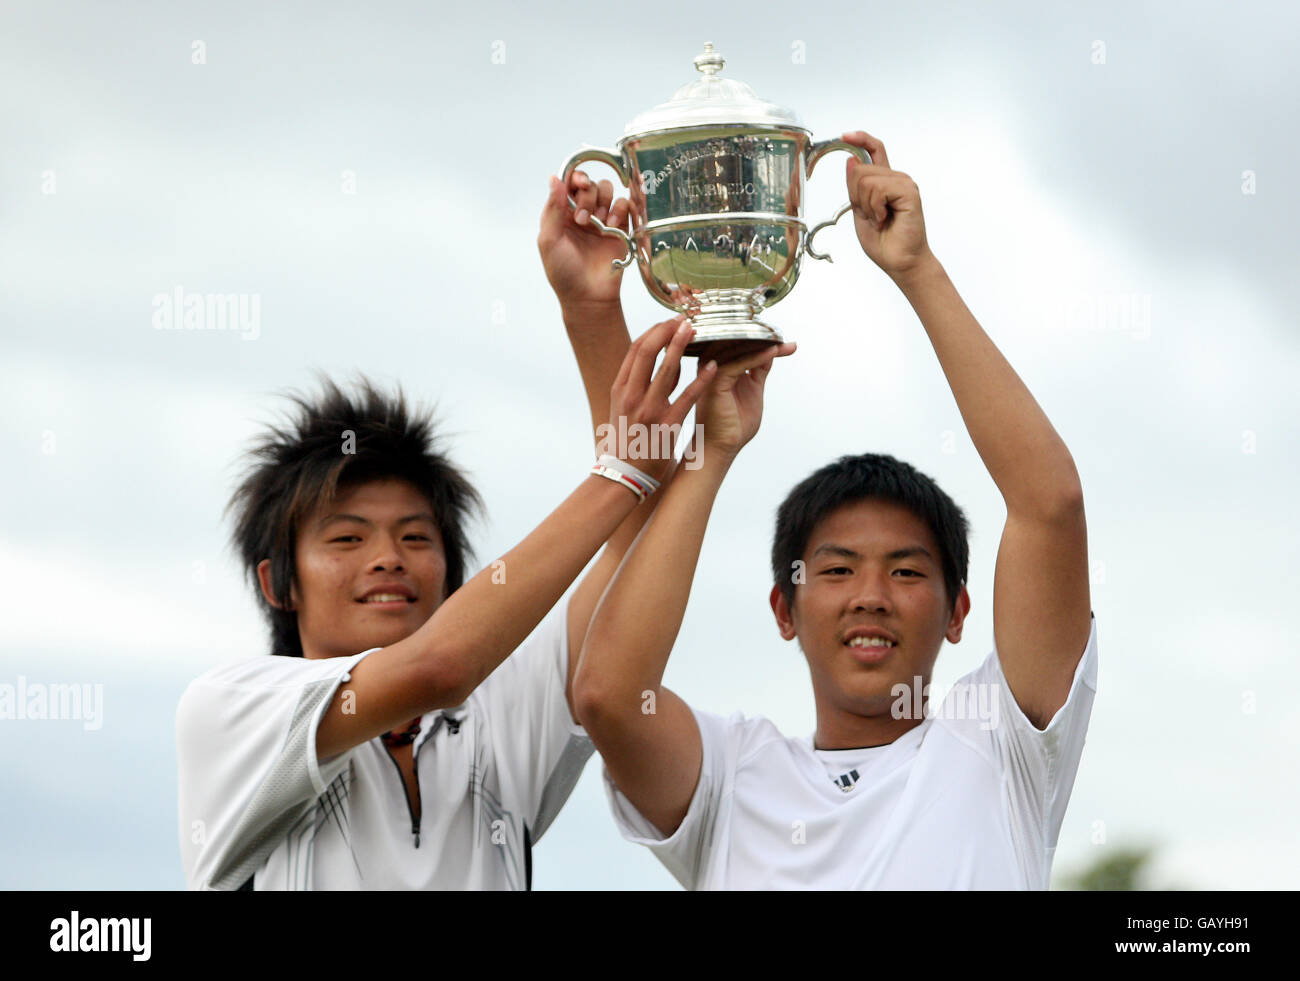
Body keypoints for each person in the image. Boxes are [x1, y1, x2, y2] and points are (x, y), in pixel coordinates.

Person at [173, 170, 778, 890]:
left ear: (455, 575)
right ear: (278, 581)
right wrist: (620, 472)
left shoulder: (492, 715)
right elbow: (439, 665)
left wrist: (589, 307)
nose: (387, 559)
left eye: (417, 537)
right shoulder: (234, 709)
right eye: (347, 538)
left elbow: (626, 550)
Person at [573, 130, 1097, 890]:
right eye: (839, 568)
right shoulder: (731, 775)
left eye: (909, 570)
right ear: (785, 607)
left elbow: (1050, 504)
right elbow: (606, 695)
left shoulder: (1001, 743)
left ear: (958, 612)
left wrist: (917, 271)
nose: (871, 596)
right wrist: (709, 454)